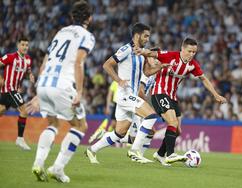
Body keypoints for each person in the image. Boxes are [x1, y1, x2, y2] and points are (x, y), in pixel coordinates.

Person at [85, 23, 171, 164]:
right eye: (146, 36)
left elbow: (146, 72)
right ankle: (134, 151)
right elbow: (107, 64)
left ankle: (92, 150)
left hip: (129, 97)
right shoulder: (126, 49)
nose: (148, 39)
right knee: (151, 115)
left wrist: (161, 67)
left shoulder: (141, 52)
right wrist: (118, 80)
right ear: (137, 35)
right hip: (125, 94)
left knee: (120, 133)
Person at [135, 37, 227, 166]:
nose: (191, 54)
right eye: (189, 51)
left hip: (172, 97)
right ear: (182, 49)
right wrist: (141, 50)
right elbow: (152, 53)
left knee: (177, 130)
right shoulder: (171, 56)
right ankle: (170, 154)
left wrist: (215, 94)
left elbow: (204, 79)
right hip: (159, 93)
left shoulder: (192, 65)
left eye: (194, 52)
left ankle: (160, 154)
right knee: (172, 122)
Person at [31, 0, 95, 183]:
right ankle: (57, 168)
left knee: (53, 124)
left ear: (71, 17)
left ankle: (38, 163)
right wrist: (80, 92)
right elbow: (78, 62)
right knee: (80, 126)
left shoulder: (60, 33)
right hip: (63, 85)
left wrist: (37, 93)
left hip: (44, 84)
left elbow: (45, 62)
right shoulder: (86, 36)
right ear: (89, 18)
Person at [0, 36, 35, 150]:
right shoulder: (10, 57)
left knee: (1, 110)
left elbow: (27, 69)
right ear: (18, 46)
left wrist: (30, 75)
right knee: (24, 110)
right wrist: (0, 78)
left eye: (26, 45)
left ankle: (20, 139)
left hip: (14, 89)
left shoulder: (28, 59)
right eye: (23, 45)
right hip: (9, 89)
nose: (25, 47)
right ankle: (20, 139)